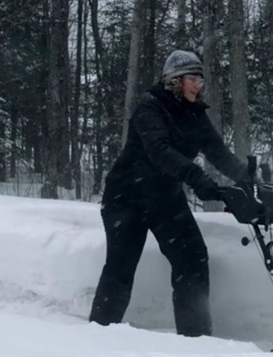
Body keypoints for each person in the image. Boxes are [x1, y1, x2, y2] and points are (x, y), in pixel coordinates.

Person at [89, 49, 248, 337]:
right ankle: (99, 335)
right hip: (126, 197)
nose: (198, 85)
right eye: (192, 78)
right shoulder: (150, 108)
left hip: (164, 197)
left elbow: (217, 152)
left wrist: (249, 177)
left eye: (201, 79)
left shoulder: (195, 114)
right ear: (174, 80)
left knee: (193, 258)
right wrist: (196, 177)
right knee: (121, 268)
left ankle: (195, 337)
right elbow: (160, 151)